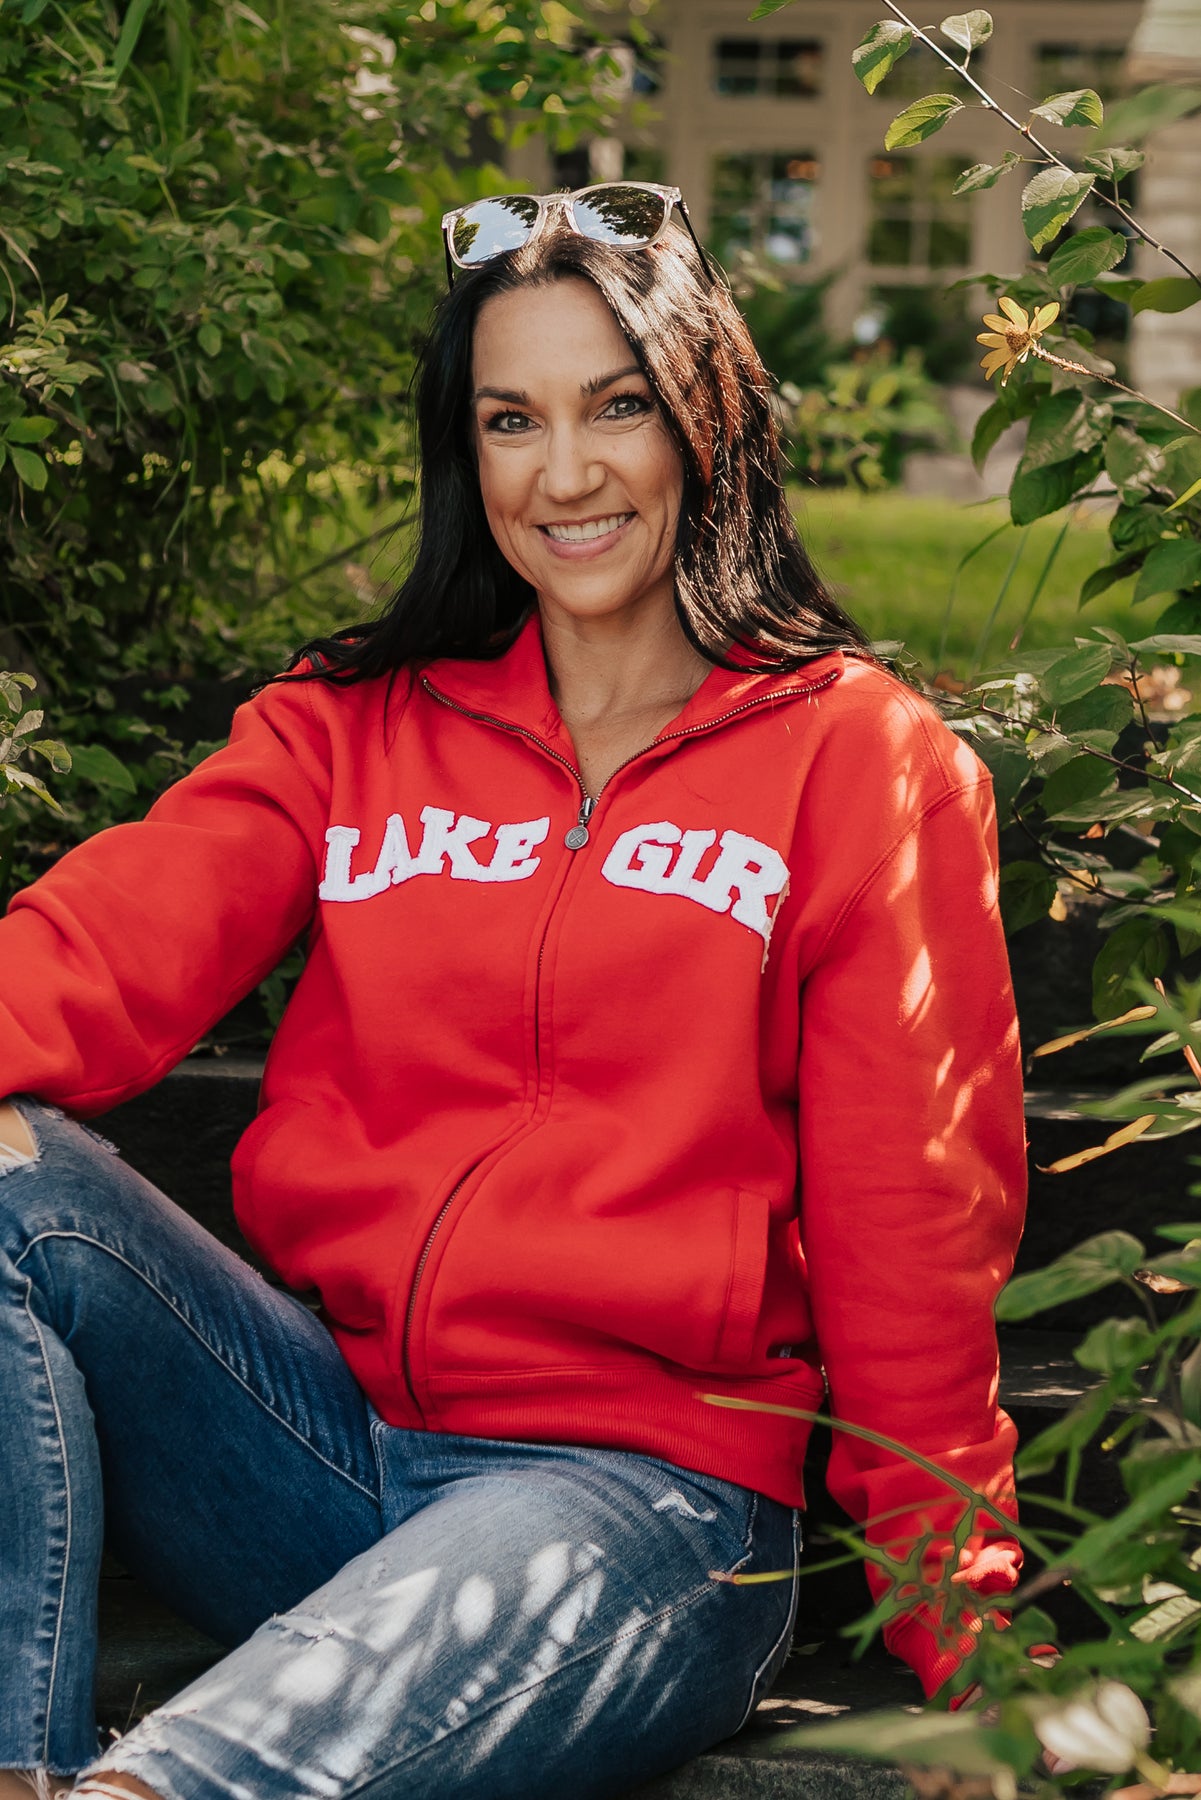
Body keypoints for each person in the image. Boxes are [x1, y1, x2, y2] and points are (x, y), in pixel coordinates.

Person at [0, 183, 1027, 1800]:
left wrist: (970, 1643)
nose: (564, 475)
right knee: (6, 1186)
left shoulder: (855, 763)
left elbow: (911, 1231)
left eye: (615, 407)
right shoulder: (350, 730)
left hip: (645, 1505)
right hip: (319, 1448)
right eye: (510, 419)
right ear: (463, 452)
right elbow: (96, 955)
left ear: (706, 423)